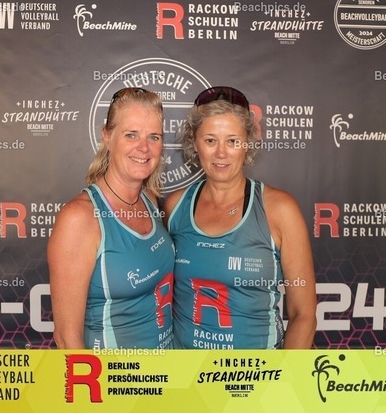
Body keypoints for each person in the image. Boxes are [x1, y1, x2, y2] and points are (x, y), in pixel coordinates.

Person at [164, 86, 317, 349]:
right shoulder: (175, 206)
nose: (221, 153)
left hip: (256, 371)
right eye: (210, 140)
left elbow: (304, 315)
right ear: (194, 143)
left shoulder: (279, 209)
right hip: (186, 370)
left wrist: (285, 374)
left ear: (248, 143)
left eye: (232, 141)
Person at [48, 87, 175, 349]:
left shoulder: (149, 200)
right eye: (131, 135)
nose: (144, 147)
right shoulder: (80, 218)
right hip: (112, 372)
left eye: (154, 137)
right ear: (107, 136)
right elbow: (66, 339)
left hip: (165, 369)